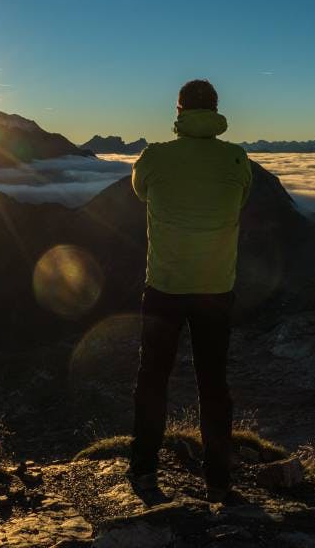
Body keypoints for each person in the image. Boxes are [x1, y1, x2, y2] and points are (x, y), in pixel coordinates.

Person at [128, 78, 252, 503]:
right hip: (216, 289)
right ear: (215, 111)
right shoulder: (236, 159)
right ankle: (218, 480)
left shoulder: (156, 157)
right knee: (213, 383)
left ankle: (144, 472)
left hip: (165, 285)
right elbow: (240, 200)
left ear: (179, 111)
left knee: (153, 379)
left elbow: (139, 189)